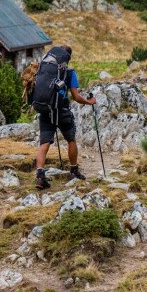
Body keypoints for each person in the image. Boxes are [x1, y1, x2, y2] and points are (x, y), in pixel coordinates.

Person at [33, 45, 96, 189]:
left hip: (46, 110)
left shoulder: (44, 68)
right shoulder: (69, 72)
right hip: (62, 110)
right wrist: (89, 102)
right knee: (71, 139)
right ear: (68, 58)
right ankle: (73, 171)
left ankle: (40, 176)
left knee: (44, 144)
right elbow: (76, 96)